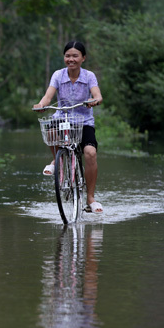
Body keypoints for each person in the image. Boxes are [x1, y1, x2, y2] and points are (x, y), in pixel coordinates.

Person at [33, 40, 104, 213]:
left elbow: (97, 95)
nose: (71, 59)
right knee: (50, 131)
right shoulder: (58, 75)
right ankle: (57, 160)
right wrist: (41, 105)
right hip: (62, 118)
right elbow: (48, 96)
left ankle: (90, 198)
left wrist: (94, 101)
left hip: (83, 122)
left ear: (83, 58)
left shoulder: (89, 76)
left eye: (75, 56)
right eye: (67, 56)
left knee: (90, 153)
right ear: (64, 57)